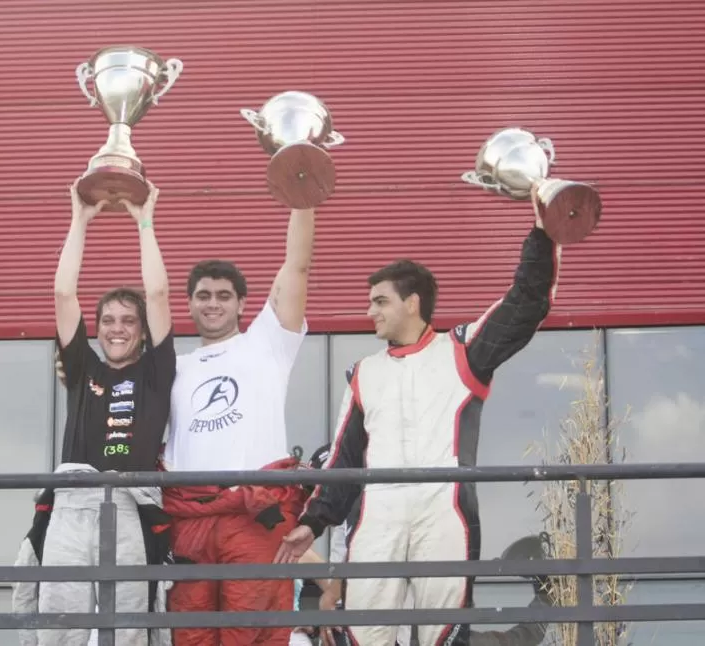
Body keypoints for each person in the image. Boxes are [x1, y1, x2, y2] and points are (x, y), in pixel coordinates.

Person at [276, 192, 561, 646]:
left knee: (443, 635)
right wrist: (313, 523)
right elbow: (344, 463)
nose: (370, 311)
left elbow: (525, 304)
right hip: (378, 511)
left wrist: (544, 234)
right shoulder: (363, 374)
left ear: (412, 303)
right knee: (365, 634)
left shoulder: (464, 352)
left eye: (379, 301)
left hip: (443, 508)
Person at [12, 178, 176, 646]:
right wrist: (79, 219)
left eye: (128, 321)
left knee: (125, 634)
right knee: (60, 633)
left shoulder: (154, 373)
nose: (116, 329)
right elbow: (64, 294)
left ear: (143, 332)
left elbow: (159, 294)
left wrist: (144, 219)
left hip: (129, 508)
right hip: (71, 505)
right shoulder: (84, 367)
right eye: (107, 320)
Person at [161, 206, 316, 646]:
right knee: (187, 636)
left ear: (243, 304)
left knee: (251, 634)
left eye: (224, 295)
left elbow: (297, 266)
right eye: (203, 295)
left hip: (255, 515)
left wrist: (301, 194)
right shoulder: (173, 366)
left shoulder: (266, 344)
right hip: (188, 518)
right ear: (189, 303)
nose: (213, 303)